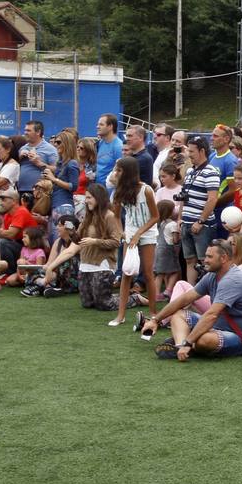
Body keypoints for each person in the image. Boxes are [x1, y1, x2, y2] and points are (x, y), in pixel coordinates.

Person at [142, 238, 242, 361]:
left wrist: (189, 342)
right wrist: (155, 320)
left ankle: (186, 344)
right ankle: (180, 348)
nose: (205, 260)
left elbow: (211, 315)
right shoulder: (213, 275)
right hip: (218, 328)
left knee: (203, 340)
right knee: (178, 314)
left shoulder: (232, 279)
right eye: (206, 256)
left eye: (210, 257)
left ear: (223, 258)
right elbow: (184, 299)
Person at [109, 156, 160, 327]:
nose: (116, 173)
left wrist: (139, 233)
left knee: (147, 273)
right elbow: (116, 216)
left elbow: (155, 216)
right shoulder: (119, 191)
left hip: (147, 233)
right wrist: (121, 232)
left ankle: (153, 314)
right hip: (130, 234)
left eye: (119, 170)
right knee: (127, 273)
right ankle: (121, 315)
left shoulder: (146, 190)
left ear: (128, 172)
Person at [73, 183, 123, 311]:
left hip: (102, 264)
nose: (86, 200)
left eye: (89, 197)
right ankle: (120, 295)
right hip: (85, 264)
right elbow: (78, 239)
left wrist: (95, 241)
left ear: (98, 198)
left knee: (104, 304)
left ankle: (133, 298)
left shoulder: (109, 216)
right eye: (86, 197)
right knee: (87, 304)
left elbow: (116, 242)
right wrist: (71, 232)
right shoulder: (88, 217)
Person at [179, 136, 221, 284]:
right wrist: (180, 219)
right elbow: (184, 196)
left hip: (201, 225)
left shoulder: (211, 171)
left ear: (202, 151)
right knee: (190, 260)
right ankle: (190, 294)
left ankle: (206, 294)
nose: (188, 154)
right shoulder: (190, 171)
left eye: (191, 151)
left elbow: (212, 199)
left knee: (206, 261)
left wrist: (200, 221)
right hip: (186, 223)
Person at [17, 121, 57, 195]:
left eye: (28, 130)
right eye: (25, 130)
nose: (25, 132)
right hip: (21, 190)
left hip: (40, 192)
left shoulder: (50, 149)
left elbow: (56, 170)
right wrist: (19, 158)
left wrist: (39, 163)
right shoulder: (22, 148)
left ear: (38, 132)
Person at [94, 113, 122, 184]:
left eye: (101, 124)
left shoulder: (118, 146)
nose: (97, 127)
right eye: (98, 124)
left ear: (110, 127)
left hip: (110, 190)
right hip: (98, 189)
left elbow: (120, 171)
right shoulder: (101, 142)